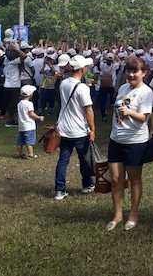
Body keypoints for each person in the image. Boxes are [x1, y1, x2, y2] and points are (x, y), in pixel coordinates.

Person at [106, 56, 153, 232]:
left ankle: (133, 214)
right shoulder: (123, 88)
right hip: (116, 138)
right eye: (129, 71)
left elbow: (144, 118)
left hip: (135, 142)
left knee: (134, 179)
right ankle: (117, 214)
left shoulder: (147, 92)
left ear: (144, 73)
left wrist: (129, 111)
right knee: (116, 179)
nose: (131, 74)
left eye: (135, 71)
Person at [54, 55, 96, 201]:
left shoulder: (64, 83)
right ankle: (87, 184)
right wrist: (92, 129)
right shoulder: (82, 88)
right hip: (78, 130)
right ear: (83, 69)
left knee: (63, 159)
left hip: (64, 128)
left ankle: (60, 189)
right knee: (84, 158)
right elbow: (88, 110)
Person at [16, 85, 44, 159]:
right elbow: (31, 114)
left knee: (20, 142)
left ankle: (21, 154)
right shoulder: (29, 104)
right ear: (30, 94)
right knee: (29, 141)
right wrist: (39, 117)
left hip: (21, 126)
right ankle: (31, 155)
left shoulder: (19, 103)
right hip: (29, 126)